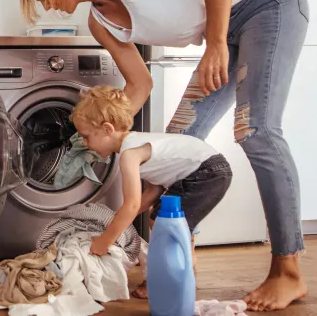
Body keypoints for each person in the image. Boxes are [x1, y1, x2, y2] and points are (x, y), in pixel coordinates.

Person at [17, 0, 309, 311]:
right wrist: (99, 132)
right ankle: (179, 256)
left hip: (267, 5)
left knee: (256, 132)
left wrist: (216, 44)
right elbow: (140, 85)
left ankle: (288, 269)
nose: (47, 6)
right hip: (228, 31)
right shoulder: (99, 22)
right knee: (176, 146)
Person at [73, 85, 232, 298]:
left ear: (107, 129)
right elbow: (152, 192)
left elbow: (131, 205)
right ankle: (181, 270)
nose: (85, 143)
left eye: (86, 136)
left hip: (206, 172)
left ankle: (169, 278)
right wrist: (115, 222)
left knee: (164, 222)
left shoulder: (130, 154)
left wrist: (105, 241)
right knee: (161, 218)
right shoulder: (136, 143)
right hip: (207, 169)